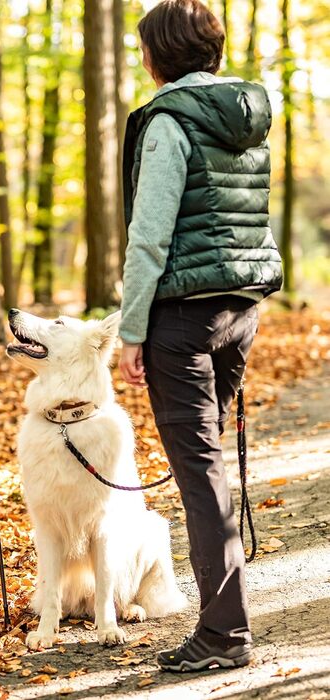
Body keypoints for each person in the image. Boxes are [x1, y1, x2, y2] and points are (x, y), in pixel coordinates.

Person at [117, 0, 282, 673]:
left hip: (181, 316)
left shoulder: (168, 121)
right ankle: (226, 621)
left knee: (199, 474)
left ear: (161, 54)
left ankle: (223, 634)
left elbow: (150, 234)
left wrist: (131, 330)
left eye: (144, 50)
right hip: (241, 307)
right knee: (208, 461)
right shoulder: (248, 115)